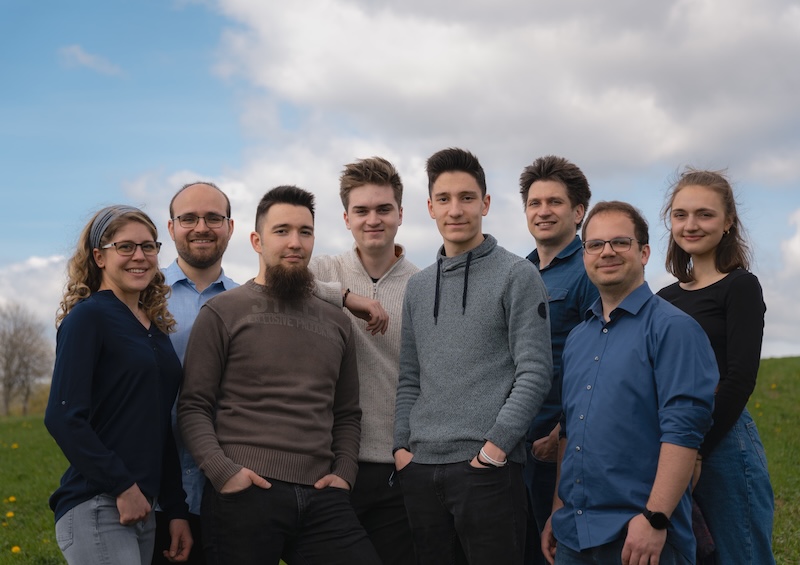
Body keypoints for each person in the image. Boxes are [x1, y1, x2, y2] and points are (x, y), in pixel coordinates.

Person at [153, 181, 387, 564]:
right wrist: (224, 473)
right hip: (244, 494)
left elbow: (346, 413)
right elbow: (193, 406)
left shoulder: (336, 321)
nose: (295, 242)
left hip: (323, 495)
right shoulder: (223, 311)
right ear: (256, 241)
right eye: (282, 231)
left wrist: (344, 473)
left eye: (305, 232)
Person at [393, 147, 553, 564]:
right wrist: (401, 449)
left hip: (487, 471)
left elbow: (535, 371)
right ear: (429, 208)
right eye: (444, 199)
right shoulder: (419, 286)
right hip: (421, 467)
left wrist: (495, 449)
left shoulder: (518, 275)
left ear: (485, 203)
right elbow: (409, 377)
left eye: (467, 197)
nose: (455, 209)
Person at [542, 201, 717, 565]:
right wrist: (558, 513)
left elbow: (683, 434)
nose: (607, 252)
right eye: (595, 244)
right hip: (573, 535)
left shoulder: (675, 330)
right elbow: (568, 433)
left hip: (639, 537)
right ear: (585, 254)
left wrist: (655, 518)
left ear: (644, 252)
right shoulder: (577, 339)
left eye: (620, 242)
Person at [45, 205, 192, 565]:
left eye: (149, 246)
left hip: (145, 507)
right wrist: (122, 487)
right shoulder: (88, 317)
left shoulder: (155, 331)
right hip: (98, 503)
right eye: (125, 247)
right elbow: (63, 417)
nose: (139, 256)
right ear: (99, 256)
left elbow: (160, 426)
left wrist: (175, 509)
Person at [657, 169, 775, 564]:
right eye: (680, 214)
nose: (690, 225)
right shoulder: (664, 297)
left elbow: (740, 378)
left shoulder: (739, 286)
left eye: (704, 215)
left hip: (721, 441)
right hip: (671, 441)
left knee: (740, 554)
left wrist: (697, 450)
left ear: (727, 223)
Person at [309, 157, 419, 565]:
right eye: (362, 211)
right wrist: (346, 297)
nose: (373, 219)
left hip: (399, 462)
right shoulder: (323, 269)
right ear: (346, 218)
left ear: (401, 214)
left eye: (383, 209)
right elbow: (273, 273)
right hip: (333, 460)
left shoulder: (424, 284)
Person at [518, 156, 598, 565]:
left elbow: (602, 360)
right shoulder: (518, 272)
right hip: (515, 443)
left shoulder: (591, 270)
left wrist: (562, 430)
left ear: (578, 211)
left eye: (555, 202)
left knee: (559, 550)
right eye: (534, 203)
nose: (543, 211)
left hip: (562, 444)